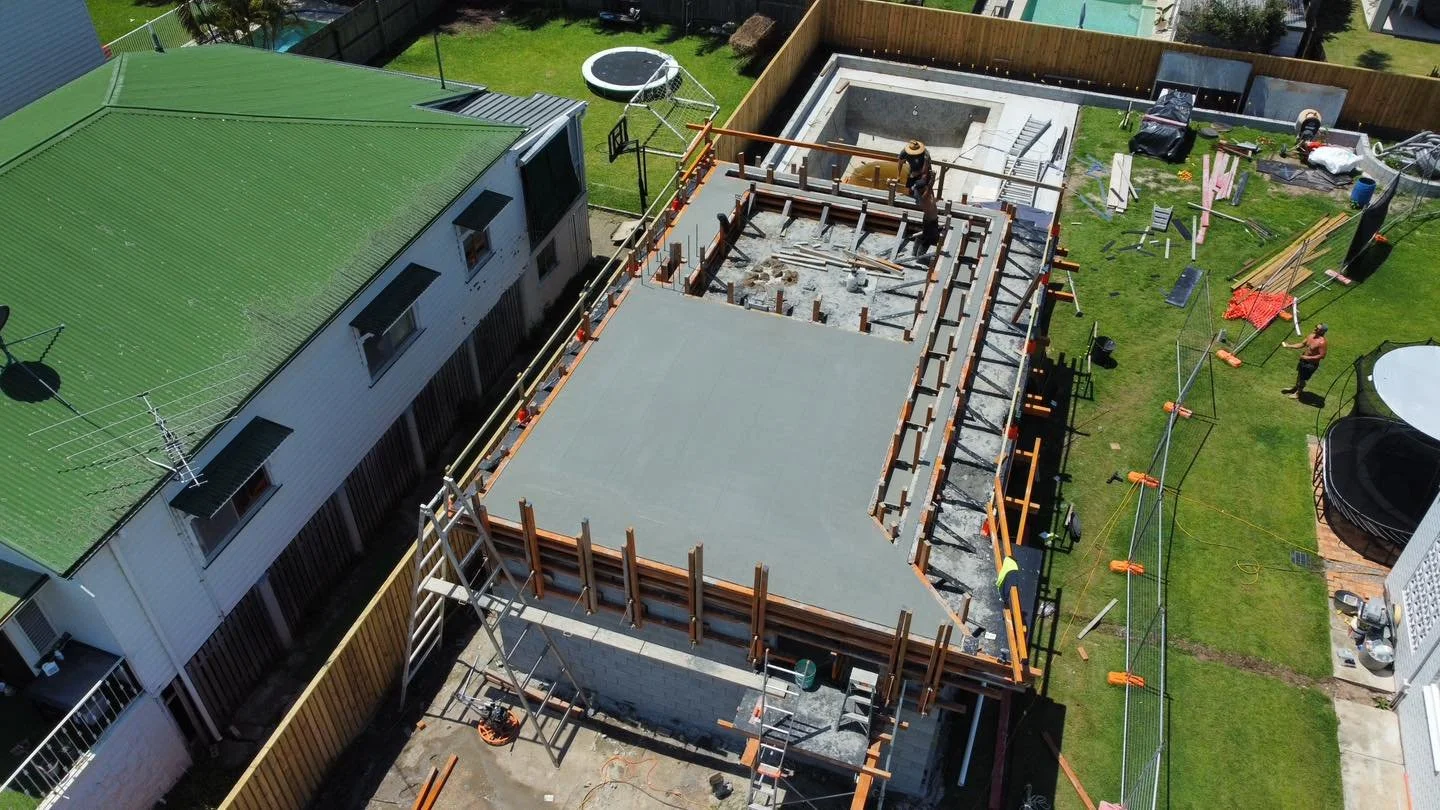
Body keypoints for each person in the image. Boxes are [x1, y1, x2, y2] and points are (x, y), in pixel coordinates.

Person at [1281, 323, 1328, 398]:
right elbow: (1302, 344)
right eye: (1316, 326)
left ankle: (1298, 393)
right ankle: (1295, 388)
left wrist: (1307, 358)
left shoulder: (1322, 342)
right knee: (1299, 375)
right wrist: (1289, 345)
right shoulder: (1311, 336)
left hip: (1310, 365)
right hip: (1303, 361)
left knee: (1303, 379)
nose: (1315, 328)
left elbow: (1322, 356)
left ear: (1322, 331)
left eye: (1317, 328)